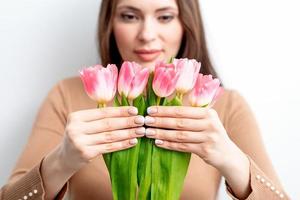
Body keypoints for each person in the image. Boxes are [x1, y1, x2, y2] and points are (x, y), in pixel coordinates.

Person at [0, 0, 290, 199]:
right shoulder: (68, 96)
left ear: (186, 23)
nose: (147, 35)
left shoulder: (224, 106)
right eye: (129, 15)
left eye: (165, 16)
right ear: (110, 23)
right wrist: (61, 161)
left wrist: (231, 160)